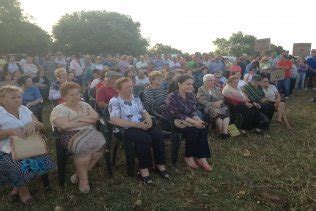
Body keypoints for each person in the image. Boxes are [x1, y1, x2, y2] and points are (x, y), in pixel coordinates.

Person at [0, 86, 55, 205]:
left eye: (19, 97)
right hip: (7, 150)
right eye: (13, 97)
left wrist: (33, 123)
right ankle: (23, 192)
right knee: (16, 166)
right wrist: (10, 131)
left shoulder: (24, 109)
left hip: (30, 146)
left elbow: (42, 126)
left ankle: (17, 185)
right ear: (2, 99)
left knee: (43, 159)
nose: (17, 99)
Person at [108, 77, 169, 184]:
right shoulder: (115, 101)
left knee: (158, 135)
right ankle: (143, 170)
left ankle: (159, 165)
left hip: (141, 124)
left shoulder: (135, 97)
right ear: (118, 90)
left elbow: (144, 111)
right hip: (126, 128)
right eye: (127, 87)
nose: (130, 89)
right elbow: (114, 120)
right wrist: (137, 125)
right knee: (144, 139)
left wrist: (149, 120)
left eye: (131, 86)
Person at [50, 82, 106, 193]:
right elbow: (64, 126)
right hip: (69, 134)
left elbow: (95, 117)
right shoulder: (58, 110)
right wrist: (85, 120)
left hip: (88, 132)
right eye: (72, 95)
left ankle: (77, 174)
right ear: (64, 97)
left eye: (77, 94)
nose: (76, 97)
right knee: (84, 151)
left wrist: (74, 120)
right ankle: (83, 181)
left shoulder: (84, 104)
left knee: (100, 149)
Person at [166, 75, 212, 171]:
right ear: (179, 84)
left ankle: (201, 157)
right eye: (188, 84)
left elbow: (193, 110)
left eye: (192, 84)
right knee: (193, 130)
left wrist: (197, 119)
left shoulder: (190, 94)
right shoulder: (172, 96)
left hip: (189, 119)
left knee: (203, 127)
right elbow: (176, 114)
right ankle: (188, 156)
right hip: (174, 122)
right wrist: (193, 122)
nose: (191, 86)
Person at [197, 74, 230, 139]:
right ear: (204, 82)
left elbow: (222, 98)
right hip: (208, 107)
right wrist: (212, 104)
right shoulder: (201, 89)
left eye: (212, 80)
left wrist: (220, 102)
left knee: (226, 115)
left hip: (219, 106)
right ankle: (220, 133)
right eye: (209, 80)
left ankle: (224, 133)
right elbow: (200, 100)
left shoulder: (217, 88)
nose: (211, 82)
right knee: (218, 117)